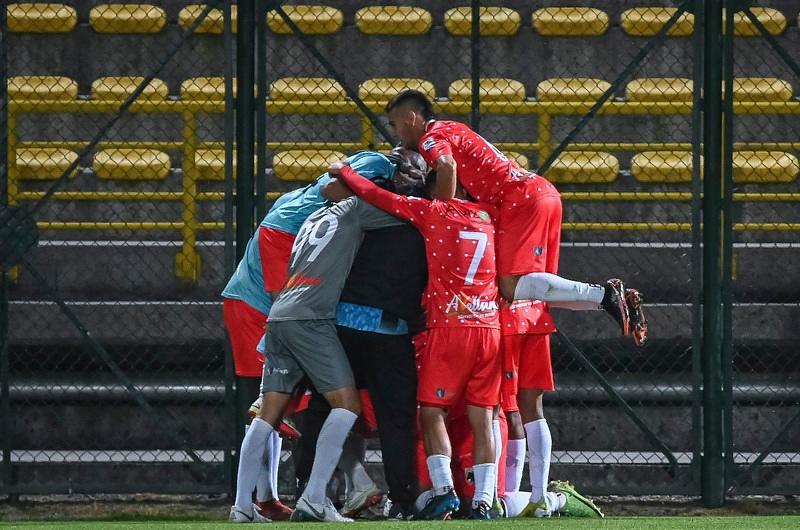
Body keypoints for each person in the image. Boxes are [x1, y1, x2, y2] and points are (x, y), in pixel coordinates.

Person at [384, 90, 644, 517]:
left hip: (521, 204)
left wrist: (443, 216)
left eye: (396, 123)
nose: (395, 131)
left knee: (509, 286)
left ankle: (602, 294)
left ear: (412, 117)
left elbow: (446, 167)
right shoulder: (461, 142)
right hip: (540, 196)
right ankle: (603, 301)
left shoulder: (434, 138)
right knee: (531, 294)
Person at [230, 160, 422, 523]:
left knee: (267, 413)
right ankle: (315, 497)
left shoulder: (312, 216)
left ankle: (241, 506)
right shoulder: (357, 210)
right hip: (311, 318)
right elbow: (408, 214)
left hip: (280, 314)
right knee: (346, 405)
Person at [329, 163, 501, 520]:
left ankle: (444, 492)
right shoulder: (489, 216)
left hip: (450, 327)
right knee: (483, 416)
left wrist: (346, 171)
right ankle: (486, 500)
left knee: (430, 412)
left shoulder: (432, 212)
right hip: (490, 327)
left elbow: (378, 196)